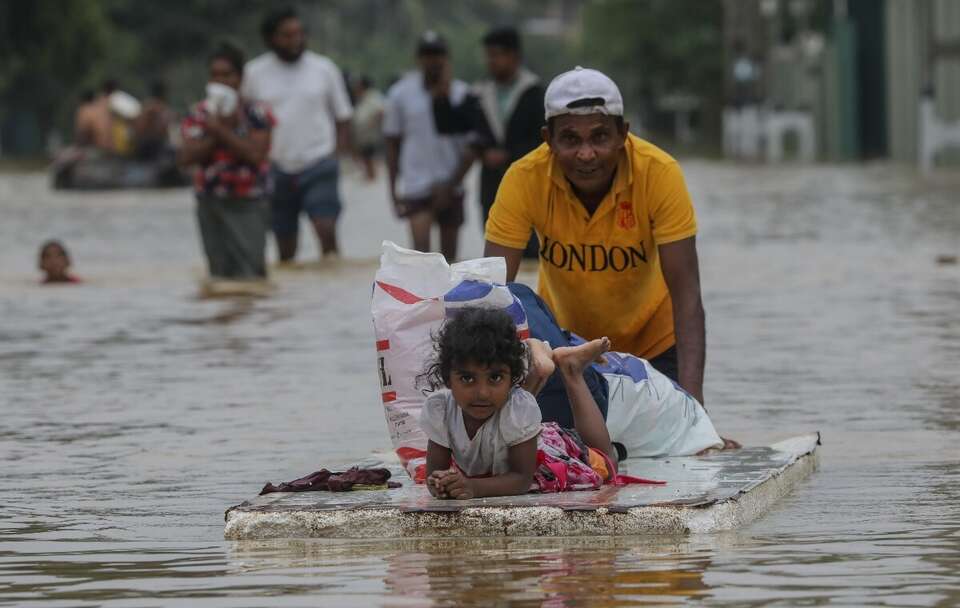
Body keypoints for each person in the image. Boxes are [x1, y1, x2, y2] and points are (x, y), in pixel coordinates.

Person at [484, 68, 737, 448]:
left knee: (665, 445)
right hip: (568, 352)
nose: (587, 154)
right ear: (547, 140)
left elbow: (687, 297)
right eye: (570, 139)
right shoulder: (523, 178)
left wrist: (695, 413)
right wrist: (479, 415)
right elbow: (492, 294)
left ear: (623, 134)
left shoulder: (660, 173)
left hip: (654, 349)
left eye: (600, 137)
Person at [419, 307, 618, 500]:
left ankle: (571, 369)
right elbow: (435, 475)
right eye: (467, 379)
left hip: (542, 458)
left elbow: (521, 479)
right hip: (502, 463)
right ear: (447, 379)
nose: (482, 393)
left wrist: (473, 487)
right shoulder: (440, 409)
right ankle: (544, 358)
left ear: (513, 379)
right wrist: (441, 483)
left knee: (606, 466)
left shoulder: (519, 408)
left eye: (495, 377)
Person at [242, 7, 353, 262]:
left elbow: (343, 117)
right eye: (287, 35)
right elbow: (245, 119)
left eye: (299, 34)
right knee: (285, 245)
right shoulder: (254, 73)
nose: (295, 40)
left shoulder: (324, 69)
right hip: (276, 167)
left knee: (326, 232)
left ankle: (332, 291)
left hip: (319, 162)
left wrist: (337, 157)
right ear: (270, 38)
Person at [433, 26, 544, 257]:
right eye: (488, 55)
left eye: (496, 55)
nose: (490, 61)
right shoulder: (479, 93)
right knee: (497, 251)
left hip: (530, 183)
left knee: (532, 250)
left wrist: (509, 154)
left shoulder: (535, 93)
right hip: (492, 185)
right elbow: (448, 125)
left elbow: (542, 139)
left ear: (514, 56)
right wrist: (441, 93)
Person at [177, 43, 274, 281]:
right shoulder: (199, 114)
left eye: (226, 75)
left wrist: (221, 131)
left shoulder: (256, 113)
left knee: (251, 272)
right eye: (214, 75)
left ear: (240, 78)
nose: (220, 81)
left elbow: (255, 155)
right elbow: (186, 157)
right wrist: (215, 131)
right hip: (210, 201)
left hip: (247, 201)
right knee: (219, 275)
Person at [383, 31, 474, 261]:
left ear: (447, 57)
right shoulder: (399, 94)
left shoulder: (463, 94)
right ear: (418, 58)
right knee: (421, 259)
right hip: (416, 185)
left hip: (451, 184)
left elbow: (471, 148)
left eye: (437, 54)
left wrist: (453, 183)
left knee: (450, 263)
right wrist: (393, 191)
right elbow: (392, 144)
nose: (433, 60)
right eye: (427, 54)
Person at [350, 75, 385, 181]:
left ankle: (372, 176)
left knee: (369, 156)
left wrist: (372, 125)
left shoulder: (373, 96)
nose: (355, 87)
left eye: (357, 85)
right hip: (363, 137)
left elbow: (381, 112)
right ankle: (370, 175)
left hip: (372, 136)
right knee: (366, 157)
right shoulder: (362, 98)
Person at [134, 80, 174, 160]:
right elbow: (163, 129)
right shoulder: (158, 107)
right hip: (151, 146)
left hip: (144, 144)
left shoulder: (147, 105)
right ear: (163, 93)